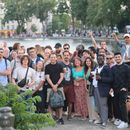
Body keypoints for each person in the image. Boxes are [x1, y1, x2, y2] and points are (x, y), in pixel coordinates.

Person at [111, 52, 130, 128]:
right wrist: (111, 88)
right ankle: (119, 119)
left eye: (118, 57)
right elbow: (112, 79)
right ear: (114, 58)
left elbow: (129, 78)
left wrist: (126, 87)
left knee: (122, 105)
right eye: (116, 57)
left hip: (123, 89)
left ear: (121, 57)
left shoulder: (126, 67)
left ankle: (125, 121)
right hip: (115, 89)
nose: (117, 58)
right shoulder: (113, 68)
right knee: (116, 104)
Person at [92, 54, 112, 128]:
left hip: (103, 89)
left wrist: (101, 78)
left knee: (103, 105)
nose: (100, 60)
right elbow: (94, 77)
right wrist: (91, 77)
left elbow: (110, 79)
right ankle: (100, 119)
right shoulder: (96, 67)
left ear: (104, 60)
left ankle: (104, 121)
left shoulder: (107, 68)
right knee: (98, 105)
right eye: (98, 59)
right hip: (95, 88)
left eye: (101, 59)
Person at [45, 53, 65, 124]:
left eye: (54, 57)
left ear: (56, 58)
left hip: (59, 87)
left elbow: (62, 76)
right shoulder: (47, 66)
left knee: (60, 103)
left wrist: (56, 85)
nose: (53, 58)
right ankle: (51, 118)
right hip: (50, 87)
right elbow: (47, 77)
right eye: (51, 57)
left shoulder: (60, 66)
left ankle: (60, 118)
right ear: (50, 58)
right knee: (50, 103)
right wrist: (53, 86)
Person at [84, 57, 98, 122]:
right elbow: (85, 79)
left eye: (89, 61)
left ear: (91, 62)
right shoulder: (85, 69)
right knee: (89, 103)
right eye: (86, 61)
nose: (88, 62)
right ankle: (91, 117)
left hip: (92, 87)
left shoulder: (94, 68)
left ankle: (95, 117)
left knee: (93, 102)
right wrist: (85, 87)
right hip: (87, 87)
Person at [61, 51, 75, 120]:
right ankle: (59, 115)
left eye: (67, 55)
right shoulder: (60, 64)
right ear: (63, 56)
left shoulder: (72, 65)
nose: (66, 56)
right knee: (60, 100)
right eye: (65, 55)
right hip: (62, 85)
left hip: (70, 85)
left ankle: (69, 115)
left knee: (70, 101)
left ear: (69, 56)